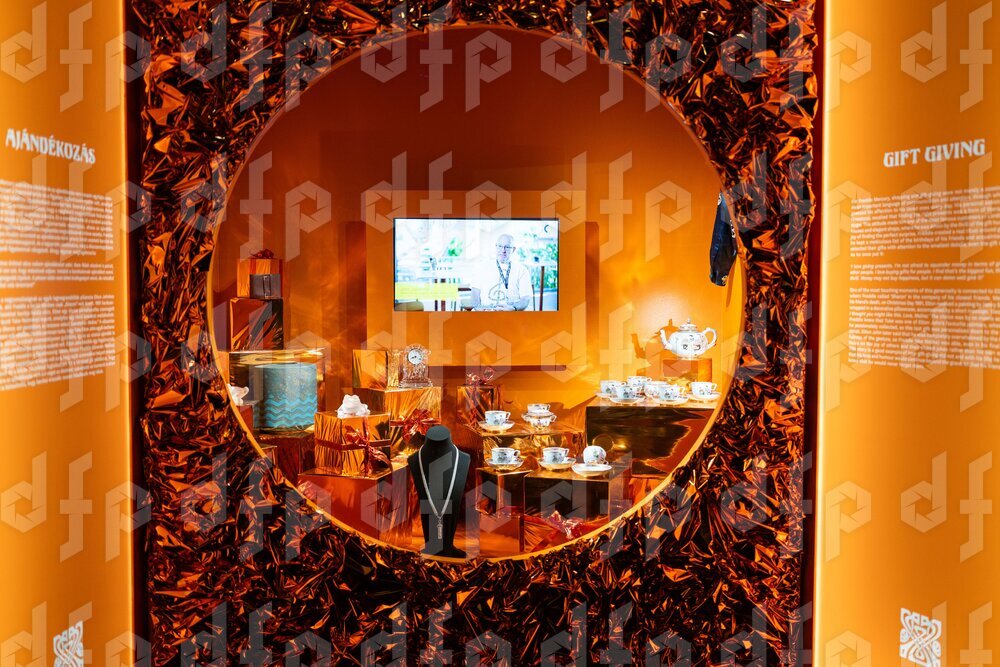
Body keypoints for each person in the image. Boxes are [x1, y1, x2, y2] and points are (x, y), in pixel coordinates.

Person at [469, 233, 534, 311]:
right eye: (500, 246)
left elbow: (525, 299)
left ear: (513, 249)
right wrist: (478, 308)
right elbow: (475, 292)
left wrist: (514, 308)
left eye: (507, 247)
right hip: (486, 313)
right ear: (496, 247)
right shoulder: (482, 267)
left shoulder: (522, 270)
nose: (503, 250)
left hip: (511, 313)